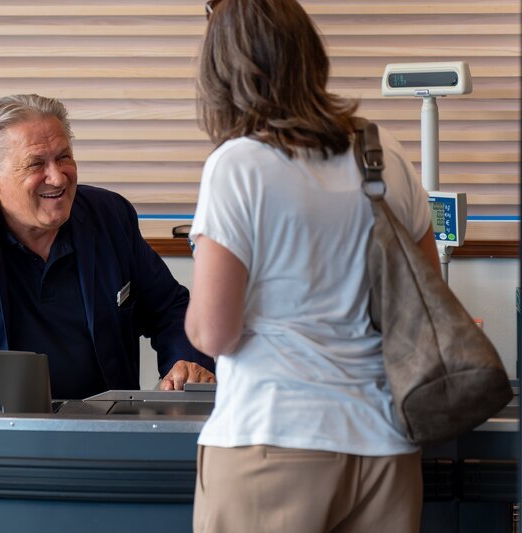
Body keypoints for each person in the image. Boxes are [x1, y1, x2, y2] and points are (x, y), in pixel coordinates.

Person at [185, 1, 440, 531]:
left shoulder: (238, 165)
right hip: (385, 449)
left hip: (273, 443)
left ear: (223, 73)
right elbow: (426, 304)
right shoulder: (383, 153)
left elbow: (214, 333)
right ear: (309, 54)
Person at [0, 94, 214, 400]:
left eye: (64, 157)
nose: (57, 177)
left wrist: (186, 362)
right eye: (36, 164)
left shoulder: (110, 218)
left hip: (104, 430)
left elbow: (170, 309)